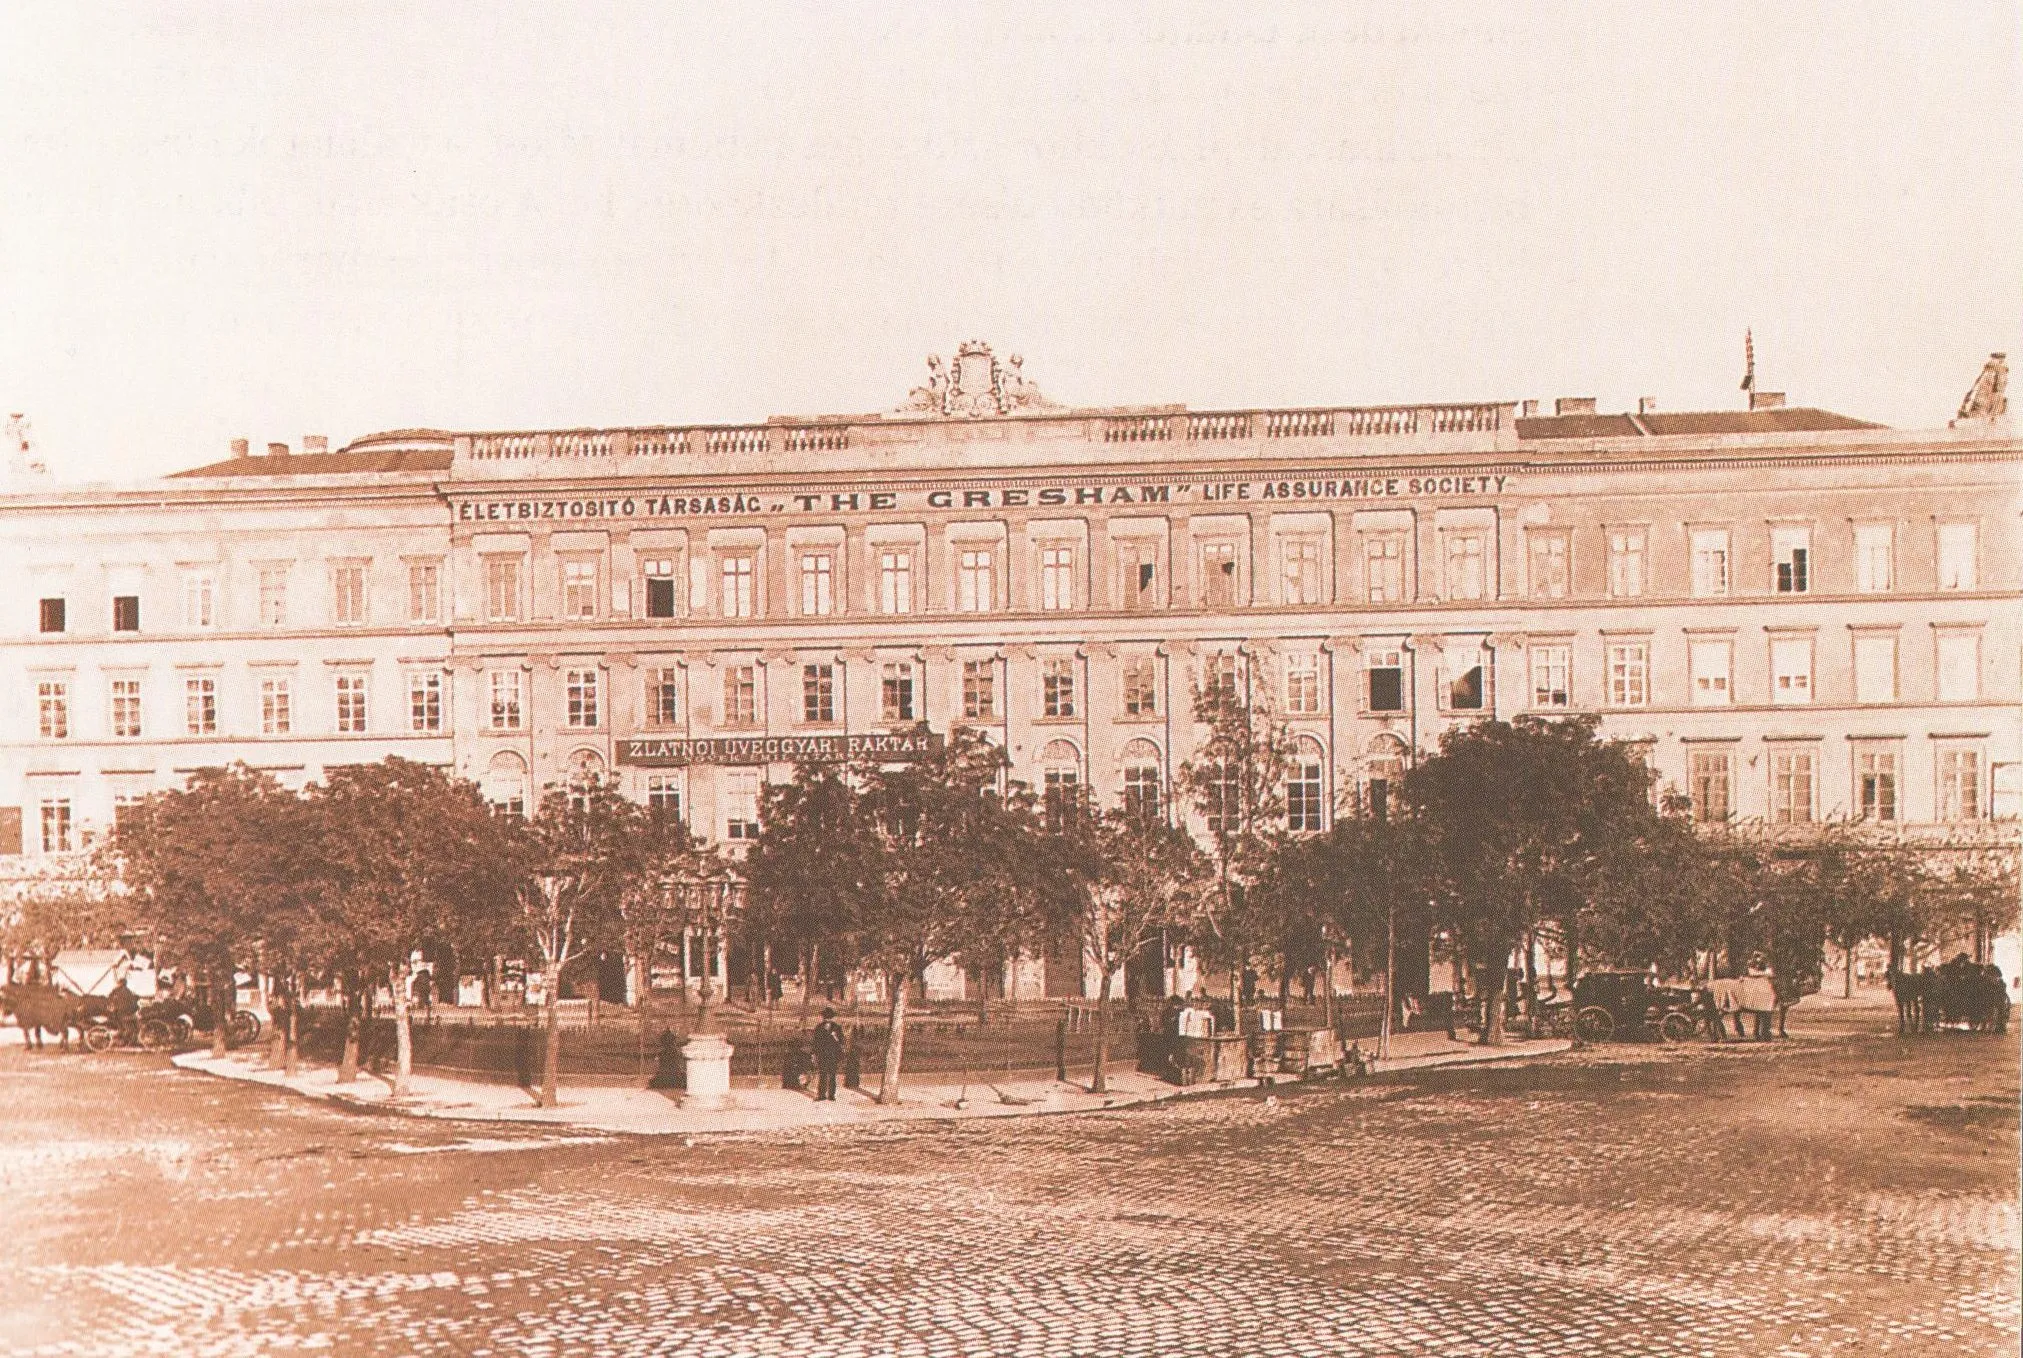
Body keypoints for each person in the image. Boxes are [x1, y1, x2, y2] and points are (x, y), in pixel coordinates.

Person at [811, 1008, 846, 1101]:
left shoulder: (837, 1027)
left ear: (831, 1017)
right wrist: (814, 1053)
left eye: (829, 1017)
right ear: (823, 1017)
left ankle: (831, 1095)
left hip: (833, 1054)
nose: (827, 1019)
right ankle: (821, 1094)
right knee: (822, 1074)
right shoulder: (819, 1027)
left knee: (832, 1075)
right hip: (822, 1054)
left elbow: (841, 1041)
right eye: (826, 1017)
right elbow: (815, 1042)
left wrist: (835, 1036)